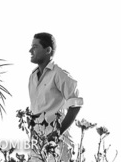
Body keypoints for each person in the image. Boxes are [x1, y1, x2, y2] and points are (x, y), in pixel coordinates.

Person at [27, 32, 83, 161]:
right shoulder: (32, 77)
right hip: (38, 144)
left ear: (48, 50)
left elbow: (76, 104)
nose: (30, 50)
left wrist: (57, 133)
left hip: (58, 144)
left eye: (35, 47)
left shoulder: (59, 74)